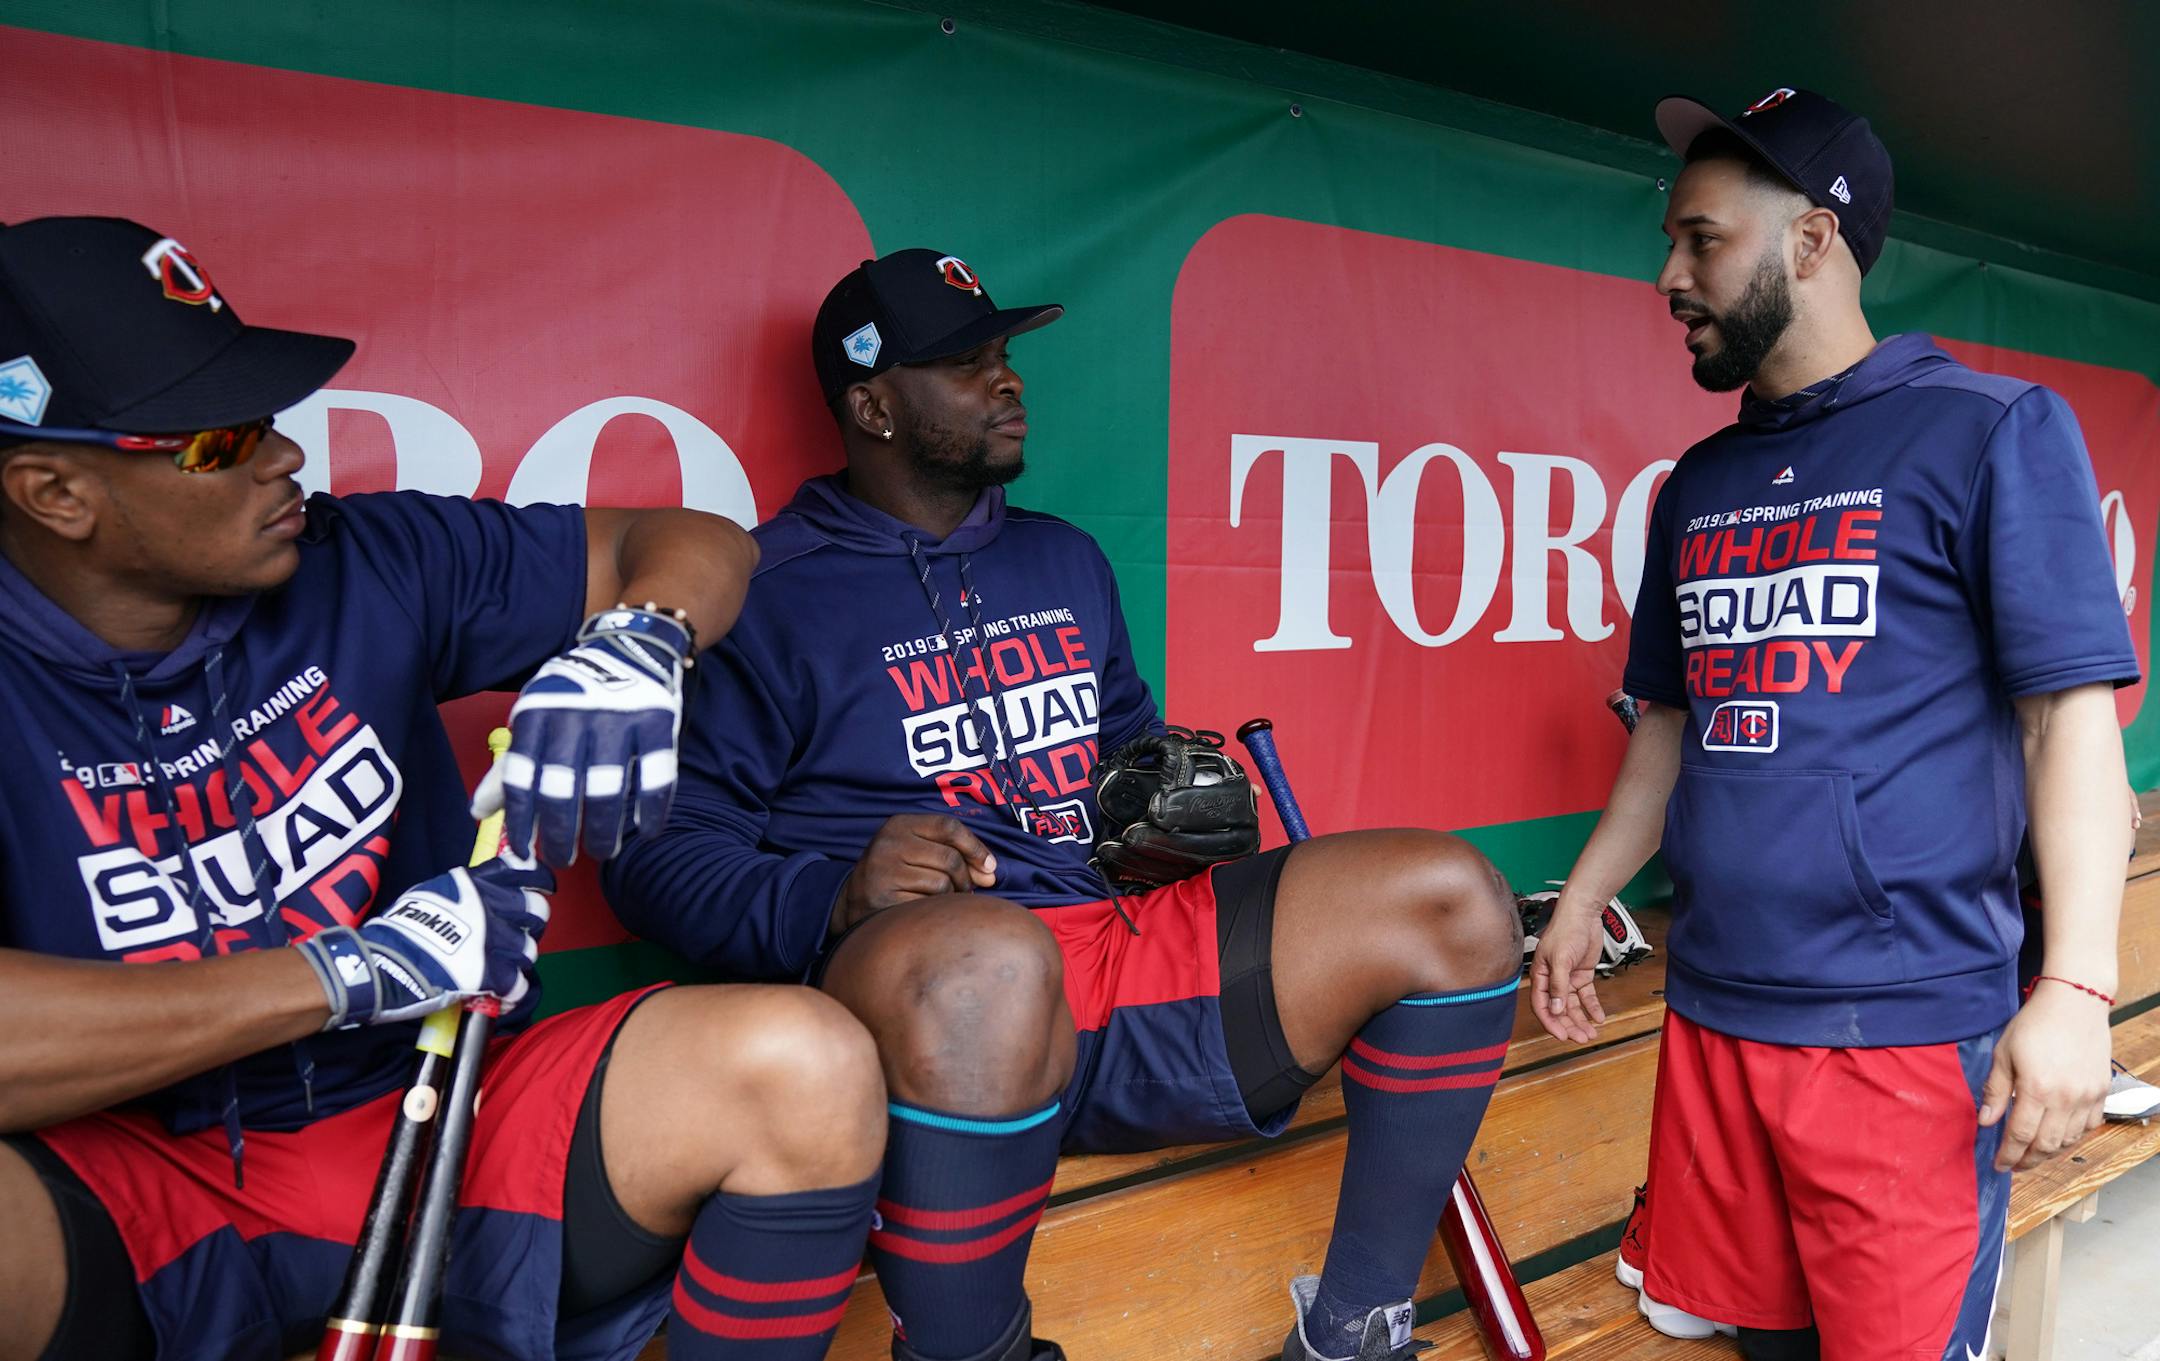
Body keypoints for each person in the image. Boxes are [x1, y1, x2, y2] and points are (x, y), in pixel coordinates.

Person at [603, 248, 1525, 1361]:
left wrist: (1167, 811)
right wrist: (833, 892)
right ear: (873, 404)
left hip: (1119, 968)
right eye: (966, 364)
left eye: (1004, 356)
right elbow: (650, 860)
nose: (1008, 381)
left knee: (1452, 894)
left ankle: (1353, 1329)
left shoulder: (1064, 558)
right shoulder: (765, 591)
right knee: (991, 964)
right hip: (926, 1023)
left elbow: (1123, 758)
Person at [0, 216, 886, 1361]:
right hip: (128, 1169)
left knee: (800, 1062)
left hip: (436, 1116)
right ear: (53, 492)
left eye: (268, 417)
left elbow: (692, 536)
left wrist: (644, 634)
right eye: (215, 442)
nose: (282, 457)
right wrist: (346, 971)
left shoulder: (361, 558)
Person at [1531, 90, 2137, 1361]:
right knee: (1760, 1343)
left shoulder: (1988, 428)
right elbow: (1670, 720)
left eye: (1702, 239)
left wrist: (2079, 985)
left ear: (1811, 240)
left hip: (1899, 1032)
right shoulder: (1700, 482)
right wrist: (1586, 895)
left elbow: (2066, 724)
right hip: (1713, 1008)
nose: (1669, 274)